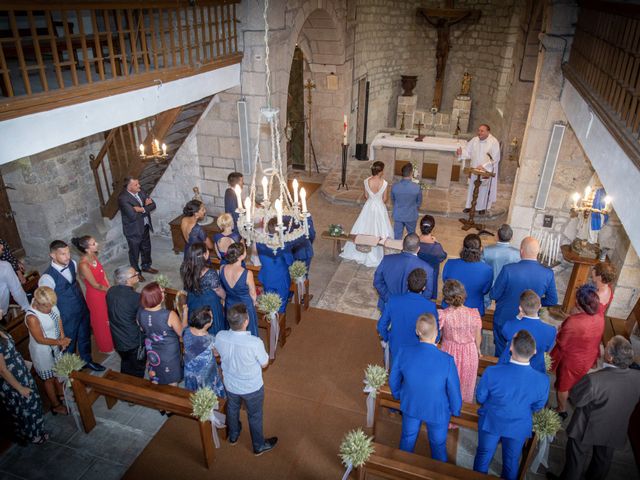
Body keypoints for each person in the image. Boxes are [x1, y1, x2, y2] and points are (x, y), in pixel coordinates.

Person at [547, 336, 640, 480]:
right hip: (615, 427)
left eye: (606, 346)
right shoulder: (637, 377)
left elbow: (576, 400)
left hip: (586, 428)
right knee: (602, 461)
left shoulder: (594, 379)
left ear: (610, 357)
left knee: (576, 461)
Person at [473, 330, 549, 480]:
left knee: (483, 456)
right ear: (534, 351)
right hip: (519, 425)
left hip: (492, 421)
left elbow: (481, 398)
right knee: (511, 462)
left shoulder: (492, 372)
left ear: (511, 349)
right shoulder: (543, 380)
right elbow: (538, 407)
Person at [389, 314, 462, 462]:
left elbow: (393, 377)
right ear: (437, 333)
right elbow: (454, 391)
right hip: (438, 410)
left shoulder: (404, 351)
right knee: (438, 445)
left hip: (411, 404)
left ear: (417, 332)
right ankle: (438, 473)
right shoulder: (447, 361)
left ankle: (401, 469)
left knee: (407, 439)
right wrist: (455, 410)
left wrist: (398, 395)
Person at [215, 304, 277, 456]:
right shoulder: (255, 343)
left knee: (232, 408)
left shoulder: (220, 336)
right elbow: (264, 363)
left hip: (230, 384)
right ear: (246, 321)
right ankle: (258, 445)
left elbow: (216, 352)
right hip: (252, 387)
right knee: (254, 415)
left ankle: (234, 435)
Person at [38, 240, 104, 371]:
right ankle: (72, 373)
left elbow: (75, 284)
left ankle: (87, 361)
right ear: (52, 255)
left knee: (85, 338)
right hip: (66, 316)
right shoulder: (47, 278)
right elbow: (46, 303)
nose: (67, 256)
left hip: (81, 309)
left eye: (68, 252)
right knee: (69, 345)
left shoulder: (72, 263)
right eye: (63, 254)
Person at [490, 236, 558, 357]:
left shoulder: (508, 270)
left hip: (504, 317)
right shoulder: (548, 273)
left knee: (501, 351)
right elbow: (552, 300)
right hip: (530, 319)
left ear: (521, 251)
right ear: (538, 253)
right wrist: (536, 302)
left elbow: (494, 294)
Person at [550, 284, 604, 419]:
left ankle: (561, 409)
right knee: (576, 379)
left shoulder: (573, 322)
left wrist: (560, 328)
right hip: (589, 354)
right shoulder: (600, 314)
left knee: (563, 386)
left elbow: (562, 341)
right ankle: (574, 394)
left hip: (572, 360)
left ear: (579, 303)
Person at [377, 269, 439, 366]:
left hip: (396, 346)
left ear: (407, 283)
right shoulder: (430, 306)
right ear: (424, 287)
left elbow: (381, 325)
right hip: (419, 350)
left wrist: (387, 338)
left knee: (395, 375)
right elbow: (436, 330)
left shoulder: (393, 300)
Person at [25, 287, 70, 416]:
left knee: (59, 372)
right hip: (42, 352)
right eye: (47, 307)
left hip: (56, 345)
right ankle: (55, 405)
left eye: (52, 305)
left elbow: (58, 319)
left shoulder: (49, 303)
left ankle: (62, 395)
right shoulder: (32, 317)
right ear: (38, 304)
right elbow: (40, 339)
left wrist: (62, 336)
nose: (50, 309)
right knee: (49, 378)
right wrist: (60, 342)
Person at [0, 323, 47, 444]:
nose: (1, 309)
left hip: (21, 373)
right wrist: (20, 388)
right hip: (13, 382)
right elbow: (2, 370)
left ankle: (38, 430)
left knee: (33, 402)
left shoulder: (1, 329)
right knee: (24, 408)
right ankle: (32, 436)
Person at [340, 161, 394, 267]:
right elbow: (385, 199)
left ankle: (360, 249)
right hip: (379, 207)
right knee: (380, 228)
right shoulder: (385, 183)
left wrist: (372, 199)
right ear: (381, 171)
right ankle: (378, 252)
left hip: (369, 206)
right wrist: (378, 201)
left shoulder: (366, 181)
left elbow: (366, 196)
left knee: (363, 225)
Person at [438, 279, 482, 403]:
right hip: (469, 353)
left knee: (448, 387)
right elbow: (477, 336)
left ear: (446, 299)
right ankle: (461, 414)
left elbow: (438, 334)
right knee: (467, 388)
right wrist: (477, 349)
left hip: (449, 352)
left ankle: (448, 416)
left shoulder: (443, 315)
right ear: (463, 295)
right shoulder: (474, 313)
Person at [138, 282, 185, 386]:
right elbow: (182, 333)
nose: (164, 293)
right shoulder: (168, 315)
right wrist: (185, 315)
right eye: (162, 292)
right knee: (172, 381)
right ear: (157, 297)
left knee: (155, 376)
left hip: (152, 350)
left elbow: (142, 329)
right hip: (169, 353)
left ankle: (156, 396)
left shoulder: (140, 313)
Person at [72, 236, 113, 354]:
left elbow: (102, 272)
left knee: (109, 317)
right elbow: (95, 285)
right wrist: (109, 290)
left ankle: (112, 340)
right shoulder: (83, 264)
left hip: (104, 288)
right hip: (96, 295)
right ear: (86, 248)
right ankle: (105, 346)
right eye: (93, 243)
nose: (97, 244)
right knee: (101, 321)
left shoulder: (93, 255)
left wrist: (109, 285)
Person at [374, 233, 435, 311]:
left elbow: (377, 282)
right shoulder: (428, 268)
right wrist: (414, 304)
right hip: (411, 309)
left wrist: (388, 298)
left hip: (388, 305)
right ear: (418, 249)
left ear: (402, 245)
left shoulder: (386, 260)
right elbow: (428, 292)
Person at [499, 290, 556, 374]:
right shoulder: (551, 331)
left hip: (510, 366)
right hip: (535, 369)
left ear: (520, 308)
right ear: (540, 306)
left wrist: (517, 318)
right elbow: (547, 349)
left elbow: (505, 334)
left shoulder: (510, 325)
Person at [106, 266, 146, 378]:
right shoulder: (136, 298)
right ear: (127, 280)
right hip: (133, 341)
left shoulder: (111, 291)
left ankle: (124, 383)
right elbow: (142, 319)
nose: (137, 273)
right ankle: (134, 391)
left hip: (118, 338)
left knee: (126, 363)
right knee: (137, 369)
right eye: (135, 274)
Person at [442, 234, 493, 316]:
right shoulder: (487, 270)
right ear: (480, 249)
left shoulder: (450, 263)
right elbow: (485, 290)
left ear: (463, 248)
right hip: (473, 309)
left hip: (451, 307)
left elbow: (446, 282)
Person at [181, 242, 226, 334]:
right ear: (205, 255)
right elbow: (218, 290)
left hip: (193, 300)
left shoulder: (185, 268)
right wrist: (226, 297)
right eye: (207, 251)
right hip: (208, 304)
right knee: (213, 328)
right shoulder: (210, 273)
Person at [118, 177, 158, 282]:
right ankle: (136, 272)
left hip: (144, 225)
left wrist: (140, 209)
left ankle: (146, 266)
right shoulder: (123, 198)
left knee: (146, 248)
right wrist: (146, 206)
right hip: (133, 230)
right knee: (134, 253)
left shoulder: (141, 191)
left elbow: (153, 205)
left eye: (138, 184)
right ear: (129, 187)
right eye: (136, 185)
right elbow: (132, 216)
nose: (139, 186)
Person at [456, 123, 501, 214]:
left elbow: (495, 158)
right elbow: (468, 151)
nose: (479, 132)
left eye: (482, 131)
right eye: (479, 130)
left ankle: (481, 208)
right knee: (472, 187)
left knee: (483, 189)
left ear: (488, 132)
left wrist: (484, 166)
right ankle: (469, 206)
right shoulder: (474, 140)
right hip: (474, 170)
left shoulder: (493, 142)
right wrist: (461, 153)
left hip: (485, 171)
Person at [182, 306, 225, 398]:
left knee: (193, 393)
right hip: (205, 373)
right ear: (207, 324)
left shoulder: (186, 331)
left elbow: (184, 326)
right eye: (211, 318)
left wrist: (185, 312)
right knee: (209, 393)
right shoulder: (211, 339)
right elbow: (217, 354)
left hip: (190, 370)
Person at [219, 243, 259, 337]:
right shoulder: (247, 273)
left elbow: (222, 286)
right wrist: (253, 303)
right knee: (249, 332)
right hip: (245, 306)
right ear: (242, 256)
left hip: (230, 304)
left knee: (232, 331)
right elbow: (253, 294)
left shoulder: (222, 268)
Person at [257, 219, 294, 315]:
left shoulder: (260, 242)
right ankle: (279, 326)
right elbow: (290, 261)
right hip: (281, 279)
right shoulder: (283, 244)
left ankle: (271, 323)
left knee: (270, 302)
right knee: (281, 303)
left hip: (267, 277)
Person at [417, 215, 447, 301]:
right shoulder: (436, 247)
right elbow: (443, 256)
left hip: (417, 270)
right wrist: (437, 242)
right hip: (432, 272)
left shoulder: (415, 241)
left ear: (420, 227)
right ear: (432, 228)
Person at [391, 163, 423, 240]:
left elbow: (393, 200)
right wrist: (415, 208)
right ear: (411, 173)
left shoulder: (395, 186)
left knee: (397, 236)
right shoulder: (416, 187)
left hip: (398, 214)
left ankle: (397, 249)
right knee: (411, 235)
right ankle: (410, 250)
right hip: (411, 215)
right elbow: (419, 202)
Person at [0, 244, 29, 315]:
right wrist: (28, 309)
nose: (2, 246)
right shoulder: (4, 267)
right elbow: (17, 291)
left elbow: (9, 255)